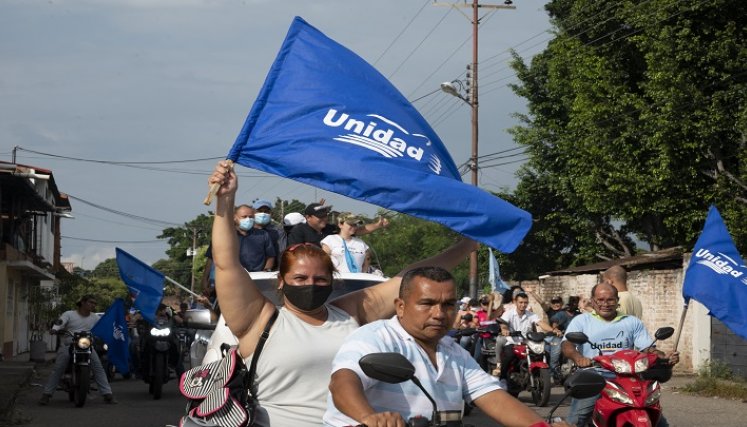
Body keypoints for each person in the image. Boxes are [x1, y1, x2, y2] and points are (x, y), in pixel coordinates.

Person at [208, 160, 478, 427]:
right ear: (281, 281)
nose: (310, 284)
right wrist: (225, 201)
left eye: (320, 278)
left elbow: (410, 277)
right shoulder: (258, 320)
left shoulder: (350, 314)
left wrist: (467, 245)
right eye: (300, 278)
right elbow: (226, 262)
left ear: (332, 282)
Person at [323, 267, 570, 427]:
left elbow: (493, 397)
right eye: (427, 303)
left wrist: (541, 426)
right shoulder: (375, 337)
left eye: (448, 304)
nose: (439, 314)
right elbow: (344, 381)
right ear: (400, 306)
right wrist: (369, 418)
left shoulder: (453, 351)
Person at [561, 282, 679, 426]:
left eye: (610, 299)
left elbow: (648, 348)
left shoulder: (631, 322)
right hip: (594, 377)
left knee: (657, 419)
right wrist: (578, 358)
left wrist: (663, 356)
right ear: (593, 301)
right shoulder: (581, 321)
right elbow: (567, 345)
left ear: (617, 301)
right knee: (576, 419)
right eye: (600, 300)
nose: (606, 304)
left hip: (628, 378)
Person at [39, 295, 117, 405]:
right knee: (59, 367)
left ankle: (108, 394)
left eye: (94, 303)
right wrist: (54, 329)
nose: (93, 305)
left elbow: (103, 326)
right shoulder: (69, 314)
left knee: (98, 367)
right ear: (83, 303)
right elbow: (60, 322)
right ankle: (46, 394)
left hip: (87, 345)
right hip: (70, 343)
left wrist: (111, 331)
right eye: (91, 302)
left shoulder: (95, 317)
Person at [499, 292, 559, 382]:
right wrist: (505, 330)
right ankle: (502, 379)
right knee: (509, 356)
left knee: (545, 354)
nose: (523, 305)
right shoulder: (509, 313)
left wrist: (553, 330)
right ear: (515, 302)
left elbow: (541, 323)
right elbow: (503, 324)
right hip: (513, 342)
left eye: (525, 302)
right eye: (521, 302)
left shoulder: (531, 315)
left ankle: (542, 375)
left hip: (528, 343)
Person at [205, 204, 276, 275]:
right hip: (232, 278)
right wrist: (205, 278)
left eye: (250, 217)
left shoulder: (263, 235)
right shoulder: (224, 236)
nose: (248, 219)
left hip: (256, 278)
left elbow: (270, 256)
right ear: (234, 218)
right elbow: (211, 258)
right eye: (244, 217)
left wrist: (266, 270)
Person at [287, 202, 389, 246]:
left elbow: (357, 230)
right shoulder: (298, 231)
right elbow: (295, 254)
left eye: (325, 215)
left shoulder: (331, 229)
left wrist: (378, 225)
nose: (324, 219)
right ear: (308, 217)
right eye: (320, 217)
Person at [253, 199, 287, 267]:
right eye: (259, 211)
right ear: (253, 213)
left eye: (266, 211)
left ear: (271, 214)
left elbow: (281, 252)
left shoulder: (278, 231)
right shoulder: (248, 230)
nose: (263, 214)